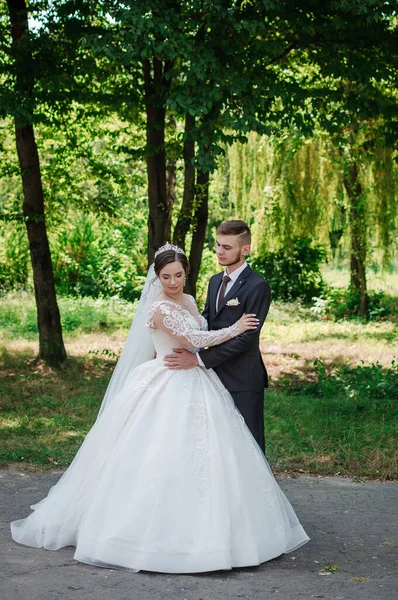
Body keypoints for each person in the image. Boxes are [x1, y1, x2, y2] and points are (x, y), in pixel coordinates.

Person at [11, 243, 309, 573]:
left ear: (186, 273)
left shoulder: (190, 300)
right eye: (166, 277)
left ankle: (227, 531)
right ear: (157, 277)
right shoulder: (159, 309)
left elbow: (200, 328)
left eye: (179, 275)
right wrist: (236, 328)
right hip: (167, 380)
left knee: (215, 454)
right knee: (156, 451)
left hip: (196, 379)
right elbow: (196, 339)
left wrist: (216, 336)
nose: (173, 283)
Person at [164, 220, 270, 452]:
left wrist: (199, 360)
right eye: (218, 245)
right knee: (217, 444)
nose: (220, 252)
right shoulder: (214, 281)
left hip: (243, 378)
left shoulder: (258, 286)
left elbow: (246, 339)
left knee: (248, 444)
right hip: (212, 376)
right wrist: (185, 345)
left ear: (245, 250)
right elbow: (206, 325)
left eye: (227, 247)